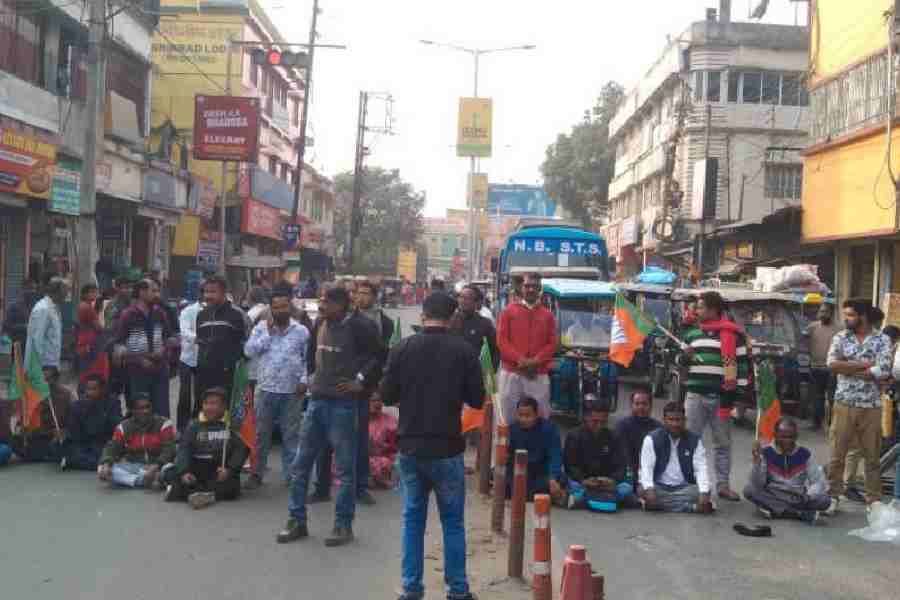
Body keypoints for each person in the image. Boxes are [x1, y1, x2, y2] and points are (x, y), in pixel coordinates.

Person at [379, 292, 484, 600]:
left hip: (410, 447)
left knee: (412, 520)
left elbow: (385, 396)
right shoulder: (464, 352)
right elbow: (477, 399)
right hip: (447, 449)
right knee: (452, 522)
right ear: (453, 318)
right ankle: (458, 591)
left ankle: (411, 589)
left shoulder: (402, 349)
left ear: (424, 315)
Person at [277, 285, 382, 547]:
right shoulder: (320, 323)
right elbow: (311, 355)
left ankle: (343, 525)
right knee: (301, 466)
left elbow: (379, 356)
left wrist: (360, 380)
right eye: (321, 301)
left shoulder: (361, 326)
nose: (321, 306)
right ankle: (296, 521)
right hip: (317, 402)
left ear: (341, 305)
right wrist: (310, 377)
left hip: (345, 405)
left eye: (326, 302)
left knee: (346, 470)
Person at [681, 290, 748, 502]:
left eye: (700, 307)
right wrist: (684, 356)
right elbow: (679, 364)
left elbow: (743, 367)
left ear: (713, 310)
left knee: (722, 443)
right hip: (695, 397)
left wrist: (738, 397)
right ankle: (690, 482)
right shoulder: (691, 334)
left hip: (722, 399)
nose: (696, 311)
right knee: (691, 440)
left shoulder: (734, 335)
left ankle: (723, 486)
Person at [826, 298, 893, 510]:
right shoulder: (840, 337)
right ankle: (833, 496)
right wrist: (866, 365)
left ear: (863, 316)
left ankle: (873, 500)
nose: (846, 319)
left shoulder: (882, 340)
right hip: (844, 402)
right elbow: (832, 364)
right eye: (846, 315)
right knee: (838, 454)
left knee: (872, 456)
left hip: (871, 406)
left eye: (851, 315)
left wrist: (848, 367)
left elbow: (883, 371)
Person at [243, 284, 309, 490]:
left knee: (291, 436)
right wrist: (268, 334)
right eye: (276, 307)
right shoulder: (261, 328)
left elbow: (308, 360)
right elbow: (249, 351)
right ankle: (256, 473)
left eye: (284, 307)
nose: (280, 311)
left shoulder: (302, 331)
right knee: (262, 435)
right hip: (266, 389)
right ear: (271, 309)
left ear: (290, 307)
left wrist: (304, 381)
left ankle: (291, 475)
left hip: (292, 391)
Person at [163, 387, 249, 508]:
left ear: (223, 407)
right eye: (206, 403)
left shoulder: (232, 426)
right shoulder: (194, 425)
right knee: (177, 476)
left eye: (214, 404)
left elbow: (241, 450)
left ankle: (198, 495)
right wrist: (184, 471)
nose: (209, 407)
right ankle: (199, 494)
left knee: (231, 486)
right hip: (197, 467)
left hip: (219, 469)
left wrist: (229, 470)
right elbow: (184, 449)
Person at [351, 279, 394, 504]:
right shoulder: (346, 319)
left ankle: (363, 479)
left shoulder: (385, 323)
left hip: (371, 383)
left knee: (367, 433)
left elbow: (384, 353)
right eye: (359, 293)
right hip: (346, 382)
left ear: (374, 297)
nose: (362, 297)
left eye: (367, 293)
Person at [496, 272, 557, 425]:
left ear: (540, 289)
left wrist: (536, 361)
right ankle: (507, 447)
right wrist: (520, 360)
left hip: (538, 373)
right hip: (512, 372)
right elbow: (502, 340)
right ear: (521, 288)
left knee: (541, 414)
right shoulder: (508, 311)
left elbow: (552, 343)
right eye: (527, 286)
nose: (530, 289)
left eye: (534, 286)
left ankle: (538, 447)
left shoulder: (548, 315)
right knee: (507, 415)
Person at [743, 417, 830, 524]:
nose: (788, 441)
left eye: (791, 437)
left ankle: (778, 511)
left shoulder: (805, 454)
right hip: (774, 495)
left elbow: (817, 481)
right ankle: (798, 514)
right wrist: (757, 463)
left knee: (825, 500)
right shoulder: (765, 453)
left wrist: (809, 495)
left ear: (796, 436)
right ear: (775, 435)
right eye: (783, 437)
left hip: (798, 498)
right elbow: (758, 484)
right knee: (749, 490)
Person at [639, 401, 713, 514]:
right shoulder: (652, 439)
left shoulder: (694, 440)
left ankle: (659, 506)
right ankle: (690, 508)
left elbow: (701, 468)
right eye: (671, 420)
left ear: (684, 421)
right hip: (658, 486)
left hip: (684, 487)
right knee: (642, 490)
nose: (675, 424)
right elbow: (646, 468)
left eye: (678, 420)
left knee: (702, 491)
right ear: (664, 420)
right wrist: (649, 489)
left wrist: (703, 492)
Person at [564, 396, 637, 510]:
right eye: (595, 422)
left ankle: (585, 500)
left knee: (627, 486)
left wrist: (612, 480)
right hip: (583, 482)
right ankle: (608, 499)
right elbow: (570, 466)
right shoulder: (574, 436)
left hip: (607, 483)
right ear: (586, 417)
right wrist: (584, 480)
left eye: (603, 422)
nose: (599, 426)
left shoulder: (614, 436)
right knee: (569, 484)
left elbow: (621, 465)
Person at [114, 279, 173, 416]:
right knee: (141, 410)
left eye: (158, 291)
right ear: (142, 292)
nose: (157, 295)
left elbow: (169, 337)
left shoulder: (160, 313)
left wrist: (164, 352)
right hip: (137, 372)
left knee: (161, 410)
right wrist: (139, 360)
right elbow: (119, 345)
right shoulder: (128, 315)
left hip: (160, 370)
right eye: (154, 291)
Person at [98, 393, 176, 488]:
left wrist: (156, 466)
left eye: (148, 407)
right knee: (102, 469)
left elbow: (169, 449)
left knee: (171, 471)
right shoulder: (123, 427)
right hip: (135, 467)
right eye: (141, 408)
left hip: (160, 466)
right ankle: (148, 481)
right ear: (132, 410)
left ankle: (150, 479)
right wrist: (106, 463)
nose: (145, 411)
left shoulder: (164, 424)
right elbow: (112, 447)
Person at [196, 275, 247, 403]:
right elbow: (200, 342)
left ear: (224, 292)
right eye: (206, 292)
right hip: (205, 373)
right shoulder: (202, 315)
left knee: (227, 409)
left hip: (228, 375)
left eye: (213, 292)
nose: (208, 295)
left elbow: (247, 344)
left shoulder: (236, 314)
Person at [507, 396, 565, 504]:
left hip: (541, 473)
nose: (523, 419)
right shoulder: (512, 429)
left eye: (528, 415)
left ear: (536, 414)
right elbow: (508, 458)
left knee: (560, 480)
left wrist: (553, 478)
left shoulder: (549, 429)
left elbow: (555, 455)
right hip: (519, 474)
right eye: (520, 415)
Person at [10, 366, 73, 463]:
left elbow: (73, 420)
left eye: (48, 379)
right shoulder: (33, 395)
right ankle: (43, 455)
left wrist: (63, 431)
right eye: (42, 380)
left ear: (56, 379)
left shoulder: (66, 395)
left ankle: (45, 455)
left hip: (55, 436)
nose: (44, 383)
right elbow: (24, 421)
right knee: (14, 440)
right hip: (37, 436)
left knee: (60, 444)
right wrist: (22, 428)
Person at [61, 375, 120, 471]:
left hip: (102, 441)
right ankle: (96, 464)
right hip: (84, 443)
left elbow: (116, 425)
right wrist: (86, 410)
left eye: (94, 389)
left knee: (105, 454)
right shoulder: (77, 406)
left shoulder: (112, 403)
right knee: (69, 450)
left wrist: (98, 410)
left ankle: (81, 463)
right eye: (88, 389)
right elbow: (74, 432)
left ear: (102, 389)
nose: (90, 392)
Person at [614, 387, 663, 495]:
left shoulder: (658, 428)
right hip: (627, 474)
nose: (641, 407)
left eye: (644, 404)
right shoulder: (622, 426)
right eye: (637, 404)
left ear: (650, 406)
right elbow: (622, 455)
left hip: (650, 475)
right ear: (631, 405)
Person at [25, 277, 67, 375]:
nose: (66, 295)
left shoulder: (54, 308)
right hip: (43, 367)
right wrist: (38, 370)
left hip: (51, 365)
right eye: (65, 291)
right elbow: (36, 341)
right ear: (57, 292)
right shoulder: (43, 309)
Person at [808, 304, 839, 431]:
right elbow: (803, 342)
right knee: (817, 397)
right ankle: (816, 423)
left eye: (825, 312)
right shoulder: (812, 327)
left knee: (832, 397)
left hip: (832, 369)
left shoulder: (840, 329)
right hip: (815, 367)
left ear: (831, 313)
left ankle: (833, 424)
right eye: (820, 311)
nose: (822, 314)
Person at [452, 285, 499, 368]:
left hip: (475, 374)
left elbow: (495, 350)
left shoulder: (485, 324)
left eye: (468, 298)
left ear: (476, 302)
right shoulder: (450, 321)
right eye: (461, 297)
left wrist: (489, 370)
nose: (463, 300)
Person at [75, 283, 111, 388]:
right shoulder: (87, 308)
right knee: (92, 371)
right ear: (85, 294)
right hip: (90, 342)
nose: (96, 294)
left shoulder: (84, 305)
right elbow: (99, 328)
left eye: (96, 291)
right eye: (93, 292)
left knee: (86, 370)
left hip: (85, 340)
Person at [176, 297, 203, 431]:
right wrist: (197, 338)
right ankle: (182, 428)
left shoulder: (213, 311)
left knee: (201, 393)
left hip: (205, 358)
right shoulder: (188, 311)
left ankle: (197, 426)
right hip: (187, 357)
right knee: (185, 394)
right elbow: (184, 331)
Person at [366, 391, 398, 489]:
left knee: (387, 462)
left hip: (384, 456)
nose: (377, 403)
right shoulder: (357, 420)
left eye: (379, 400)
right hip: (363, 457)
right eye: (373, 400)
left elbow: (397, 445)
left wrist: (385, 446)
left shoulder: (390, 420)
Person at [3, 278, 39, 349]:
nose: (32, 291)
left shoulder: (37, 307)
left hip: (32, 348)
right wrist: (24, 327)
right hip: (17, 347)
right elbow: (6, 328)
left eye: (34, 289)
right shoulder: (13, 306)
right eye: (30, 288)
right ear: (23, 289)